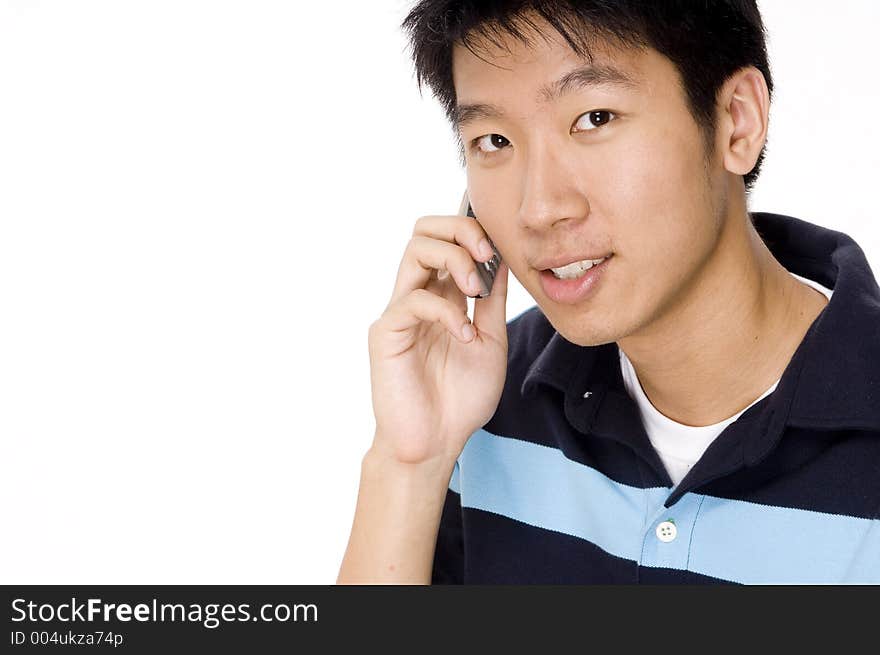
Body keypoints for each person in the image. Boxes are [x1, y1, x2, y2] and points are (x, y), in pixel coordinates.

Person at [337, 1, 880, 584]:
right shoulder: (480, 398)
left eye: (595, 118)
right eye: (493, 140)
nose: (540, 208)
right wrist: (408, 465)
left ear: (736, 121)